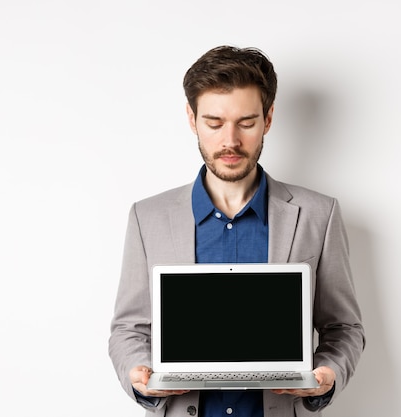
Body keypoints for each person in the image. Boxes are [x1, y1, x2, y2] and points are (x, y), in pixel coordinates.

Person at [109, 45, 365, 417]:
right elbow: (128, 329)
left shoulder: (318, 214)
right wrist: (138, 375)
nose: (230, 141)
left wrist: (326, 376)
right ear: (191, 118)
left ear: (268, 118)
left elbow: (343, 327)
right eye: (214, 123)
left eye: (246, 123)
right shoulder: (147, 217)